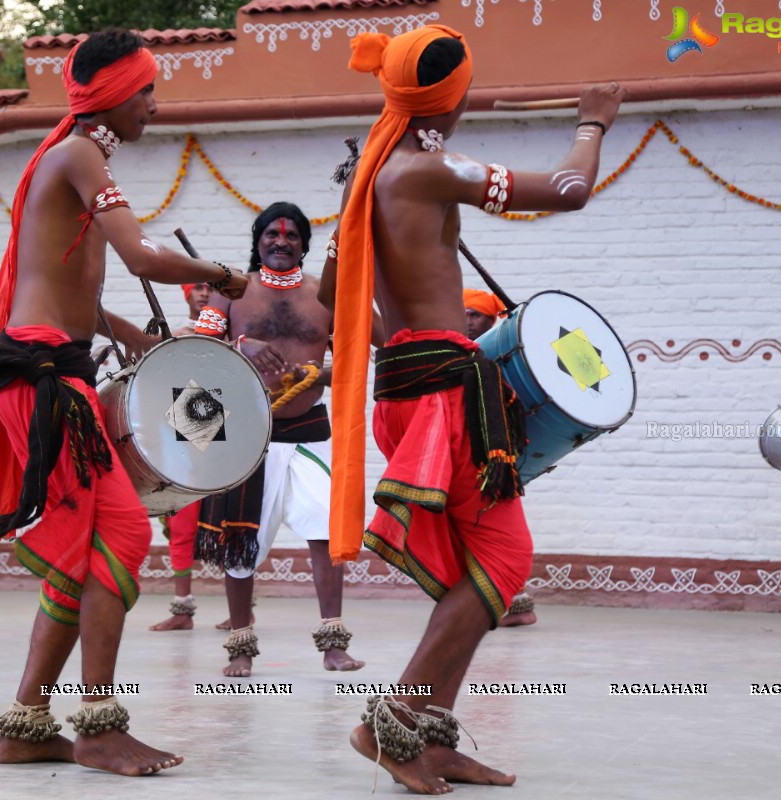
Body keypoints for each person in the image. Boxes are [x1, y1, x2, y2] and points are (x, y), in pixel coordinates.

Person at [319, 24, 625, 792]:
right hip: (440, 400)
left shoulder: (370, 175)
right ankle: (389, 724)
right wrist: (592, 121)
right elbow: (569, 190)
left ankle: (429, 735)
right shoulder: (423, 168)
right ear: (446, 100)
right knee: (503, 560)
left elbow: (333, 297)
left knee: (474, 571)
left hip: (405, 391)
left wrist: (408, 339)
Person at [0, 29, 247, 776]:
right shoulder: (79, 155)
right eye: (145, 92)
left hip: (50, 367)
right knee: (124, 540)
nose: (154, 106)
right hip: (44, 379)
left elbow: (73, 287)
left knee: (84, 556)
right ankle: (99, 727)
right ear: (112, 96)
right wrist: (225, 276)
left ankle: (26, 725)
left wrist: (140, 338)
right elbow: (141, 256)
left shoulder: (70, 158)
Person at [192, 201, 366, 676]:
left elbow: (359, 357)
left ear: (306, 245)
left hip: (310, 428)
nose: (282, 242)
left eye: (292, 236)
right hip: (250, 430)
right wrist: (242, 345)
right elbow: (196, 353)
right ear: (259, 239)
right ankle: (240, 647)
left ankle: (333, 642)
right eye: (272, 234)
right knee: (241, 541)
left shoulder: (325, 293)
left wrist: (319, 373)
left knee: (324, 534)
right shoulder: (232, 291)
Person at [462, 289, 536, 627]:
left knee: (491, 524)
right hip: (474, 451)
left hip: (496, 455)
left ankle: (508, 602)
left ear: (492, 320)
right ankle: (514, 602)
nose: (468, 321)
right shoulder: (464, 353)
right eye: (463, 313)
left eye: (475, 315)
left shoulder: (499, 352)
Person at [148, 282, 212, 632]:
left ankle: (243, 608)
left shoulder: (234, 334)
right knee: (182, 524)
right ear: (186, 293)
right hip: (184, 431)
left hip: (225, 440)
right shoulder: (174, 335)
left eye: (210, 288)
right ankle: (183, 609)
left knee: (232, 524)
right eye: (197, 287)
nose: (203, 294)